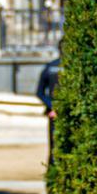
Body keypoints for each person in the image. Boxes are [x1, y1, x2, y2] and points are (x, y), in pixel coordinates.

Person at [36, 37, 63, 166]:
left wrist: (53, 107)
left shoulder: (50, 66)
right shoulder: (75, 68)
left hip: (54, 112)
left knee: (53, 146)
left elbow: (40, 93)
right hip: (64, 112)